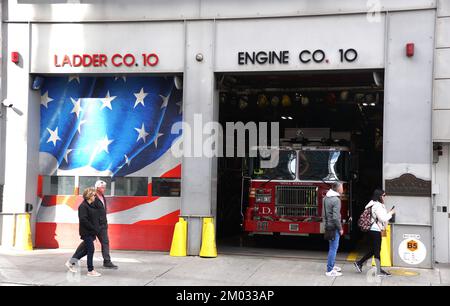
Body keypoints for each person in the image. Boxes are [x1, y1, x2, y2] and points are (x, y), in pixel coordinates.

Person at [67, 180, 118, 270]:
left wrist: (104, 222)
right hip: (94, 226)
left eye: (104, 187)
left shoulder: (102, 197)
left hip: (102, 224)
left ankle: (106, 261)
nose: (104, 189)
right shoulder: (91, 199)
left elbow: (102, 211)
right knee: (87, 246)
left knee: (104, 242)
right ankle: (77, 262)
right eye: (102, 187)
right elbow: (87, 215)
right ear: (97, 188)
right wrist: (93, 225)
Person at [353, 189, 395, 277]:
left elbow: (380, 217)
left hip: (375, 229)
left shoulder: (375, 204)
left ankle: (359, 263)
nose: (385, 197)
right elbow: (382, 219)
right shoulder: (377, 205)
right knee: (377, 251)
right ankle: (379, 271)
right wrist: (391, 213)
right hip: (375, 230)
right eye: (384, 195)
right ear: (380, 196)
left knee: (375, 249)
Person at [65, 188, 102, 277]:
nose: (95, 197)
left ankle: (71, 262)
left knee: (86, 250)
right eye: (94, 195)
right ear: (89, 196)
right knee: (91, 250)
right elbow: (83, 220)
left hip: (91, 232)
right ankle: (90, 270)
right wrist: (93, 228)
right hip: (86, 232)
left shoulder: (91, 205)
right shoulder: (83, 206)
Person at [324, 182, 344, 277]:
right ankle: (329, 270)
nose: (343, 189)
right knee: (333, 249)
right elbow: (336, 217)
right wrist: (340, 228)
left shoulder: (326, 198)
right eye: (342, 187)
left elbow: (323, 214)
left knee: (331, 247)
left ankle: (332, 265)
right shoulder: (336, 200)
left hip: (328, 226)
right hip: (334, 227)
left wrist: (326, 225)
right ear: (338, 189)